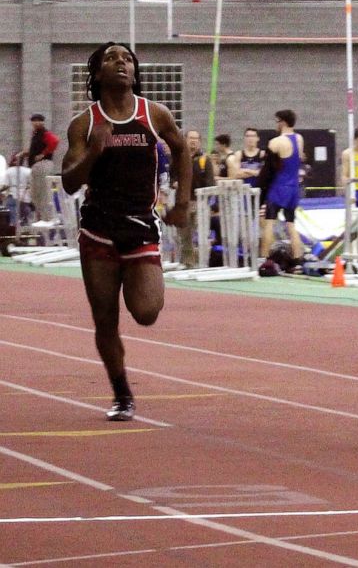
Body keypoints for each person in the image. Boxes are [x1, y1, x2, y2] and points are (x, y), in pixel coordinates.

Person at [60, 41, 191, 420]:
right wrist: (93, 152)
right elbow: (69, 182)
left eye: (128, 59)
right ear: (98, 74)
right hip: (99, 231)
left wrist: (182, 203)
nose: (122, 63)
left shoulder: (155, 113)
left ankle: (122, 387)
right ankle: (122, 393)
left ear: (135, 72)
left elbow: (182, 150)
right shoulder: (84, 123)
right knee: (105, 320)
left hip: (141, 228)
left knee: (147, 312)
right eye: (112, 58)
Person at [260, 109, 305, 266]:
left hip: (279, 187)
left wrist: (262, 190)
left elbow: (268, 170)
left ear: (283, 122)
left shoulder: (276, 142)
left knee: (269, 223)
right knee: (291, 225)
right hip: (293, 188)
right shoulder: (299, 139)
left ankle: (264, 259)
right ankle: (298, 259)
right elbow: (299, 159)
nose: (276, 125)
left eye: (277, 121)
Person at [175, 129, 216, 268]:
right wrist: (173, 183)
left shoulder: (205, 160)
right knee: (184, 234)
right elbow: (171, 176)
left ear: (200, 141)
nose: (193, 141)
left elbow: (211, 182)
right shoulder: (178, 157)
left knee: (201, 233)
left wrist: (209, 203)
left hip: (200, 202)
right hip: (182, 202)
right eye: (190, 138)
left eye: (196, 139)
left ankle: (202, 261)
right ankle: (188, 262)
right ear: (185, 139)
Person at [14, 113, 60, 224]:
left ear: (42, 122)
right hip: (36, 166)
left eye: (38, 120)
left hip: (43, 165)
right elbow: (35, 151)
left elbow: (55, 141)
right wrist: (25, 153)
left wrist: (43, 154)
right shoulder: (36, 135)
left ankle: (48, 218)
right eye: (34, 121)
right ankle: (42, 217)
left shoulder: (44, 133)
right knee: (36, 193)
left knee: (43, 192)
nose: (36, 123)